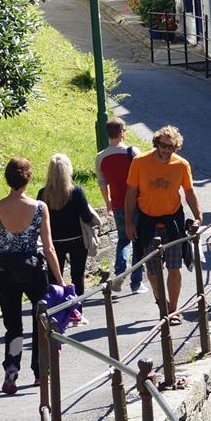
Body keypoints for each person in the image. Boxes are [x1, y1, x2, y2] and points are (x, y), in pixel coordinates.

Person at [0, 157, 66, 395]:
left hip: (6, 270)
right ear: (28, 178)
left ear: (7, 179)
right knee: (40, 322)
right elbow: (49, 247)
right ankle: (41, 372)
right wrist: (60, 280)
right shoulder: (40, 207)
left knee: (13, 325)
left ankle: (11, 368)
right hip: (34, 269)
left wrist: (6, 248)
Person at [125, 126, 201, 325]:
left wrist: (198, 216)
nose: (167, 150)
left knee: (174, 267)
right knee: (152, 270)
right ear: (157, 143)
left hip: (172, 221)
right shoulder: (140, 162)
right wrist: (128, 222)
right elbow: (131, 193)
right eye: (164, 146)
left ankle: (173, 311)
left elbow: (189, 192)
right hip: (147, 221)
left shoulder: (181, 165)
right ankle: (162, 304)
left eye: (172, 147)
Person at [38, 153, 99, 324]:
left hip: (54, 242)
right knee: (77, 277)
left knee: (54, 279)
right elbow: (86, 217)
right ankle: (76, 313)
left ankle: (55, 314)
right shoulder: (76, 191)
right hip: (76, 240)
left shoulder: (43, 194)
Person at [96, 117, 144, 294]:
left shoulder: (101, 157)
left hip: (117, 203)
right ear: (122, 133)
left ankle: (119, 273)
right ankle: (136, 282)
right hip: (138, 202)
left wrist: (108, 202)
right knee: (138, 241)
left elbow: (102, 183)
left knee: (123, 239)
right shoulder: (133, 152)